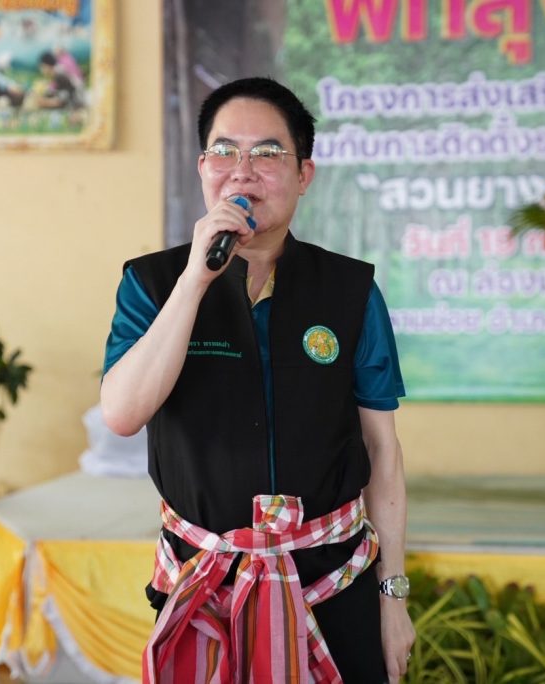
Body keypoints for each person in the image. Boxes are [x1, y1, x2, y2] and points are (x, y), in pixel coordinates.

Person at [101, 77, 416, 682]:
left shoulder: (350, 290)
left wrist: (392, 595)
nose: (242, 171)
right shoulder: (152, 283)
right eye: (224, 151)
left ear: (304, 174)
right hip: (204, 584)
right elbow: (122, 414)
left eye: (268, 152)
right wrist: (195, 280)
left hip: (333, 582)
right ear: (203, 169)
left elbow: (382, 449)